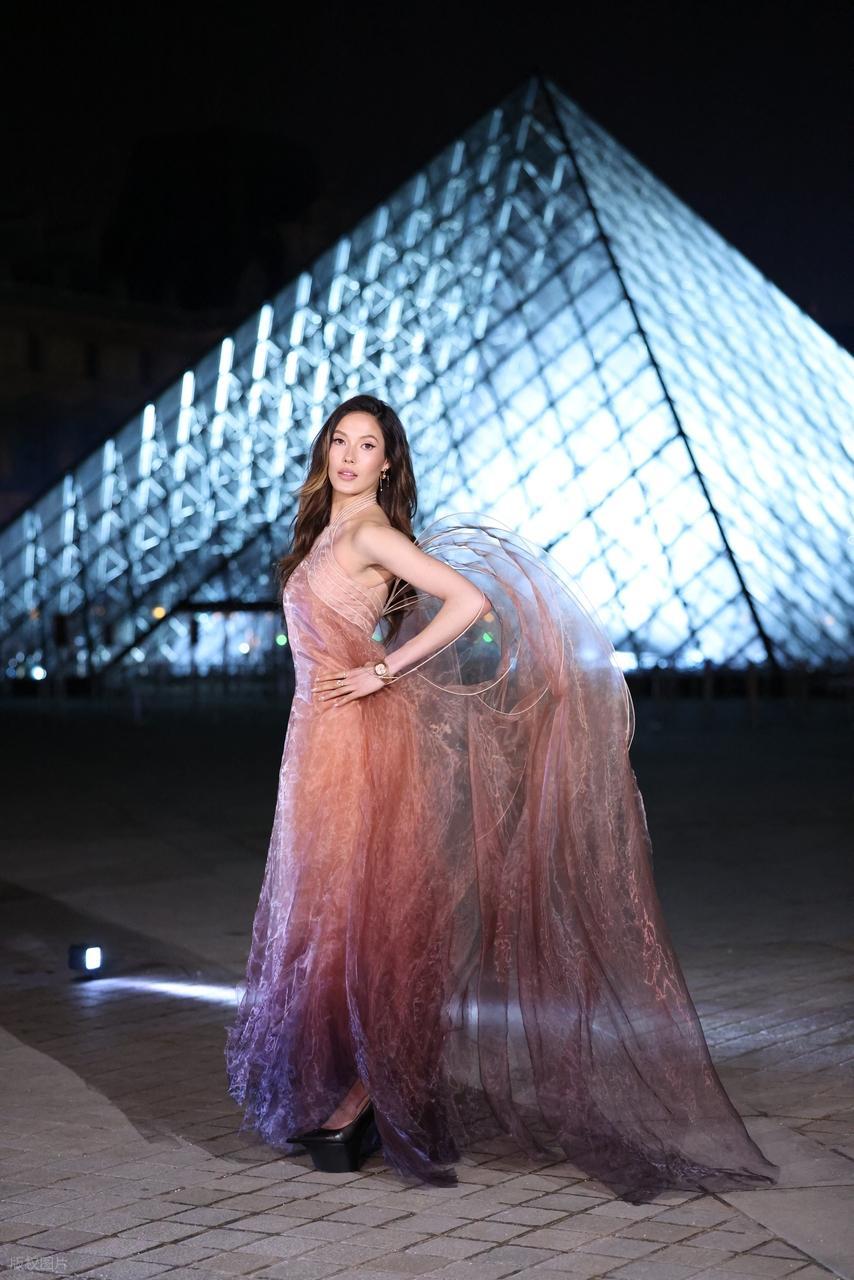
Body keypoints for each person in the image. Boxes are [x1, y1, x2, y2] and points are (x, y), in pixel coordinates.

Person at [224, 393, 780, 1203]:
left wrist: (384, 669)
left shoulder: (372, 533)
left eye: (367, 445)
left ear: (388, 461)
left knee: (362, 918)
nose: (348, 456)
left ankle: (362, 1098)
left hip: (355, 742)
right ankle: (354, 1092)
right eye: (339, 440)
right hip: (317, 740)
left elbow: (470, 602)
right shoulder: (324, 535)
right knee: (331, 916)